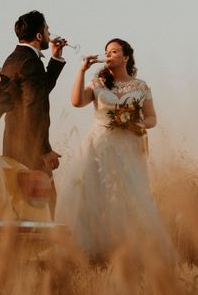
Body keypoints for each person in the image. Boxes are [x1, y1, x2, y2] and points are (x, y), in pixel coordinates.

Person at [55, 38, 172, 262]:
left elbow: (152, 118)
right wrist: (81, 70)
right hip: (98, 145)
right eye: (106, 52)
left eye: (114, 51)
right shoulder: (98, 83)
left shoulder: (140, 86)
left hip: (128, 146)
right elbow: (77, 102)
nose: (108, 55)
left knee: (129, 198)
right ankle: (91, 253)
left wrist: (138, 124)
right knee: (92, 195)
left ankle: (127, 252)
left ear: (126, 57)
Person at [1, 10, 66, 218]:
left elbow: (39, 90)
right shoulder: (30, 62)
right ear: (39, 36)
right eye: (47, 29)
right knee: (44, 207)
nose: (49, 34)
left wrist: (55, 58)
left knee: (20, 205)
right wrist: (44, 150)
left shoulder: (14, 59)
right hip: (30, 148)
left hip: (14, 143)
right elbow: (33, 109)